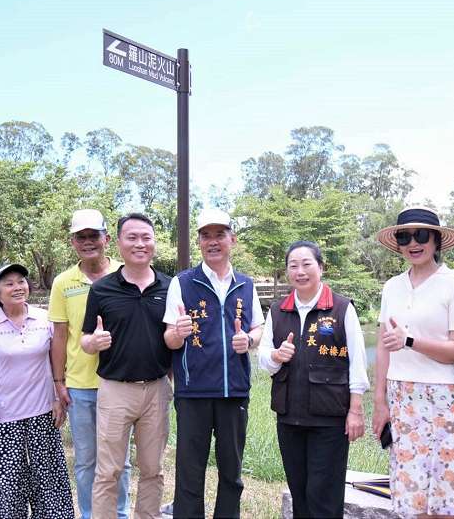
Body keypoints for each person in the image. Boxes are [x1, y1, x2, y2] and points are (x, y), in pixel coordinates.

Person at [372, 206, 454, 518]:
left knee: (447, 494)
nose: (413, 243)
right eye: (405, 237)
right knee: (410, 493)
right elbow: (382, 347)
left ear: (436, 240)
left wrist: (411, 341)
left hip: (444, 399)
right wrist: (380, 400)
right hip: (401, 396)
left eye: (421, 236)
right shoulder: (392, 286)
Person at [163, 208, 265, 519]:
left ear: (232, 239)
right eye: (206, 235)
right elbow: (169, 338)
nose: (213, 241)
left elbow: (258, 329)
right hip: (193, 393)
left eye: (219, 234)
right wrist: (178, 333)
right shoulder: (183, 283)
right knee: (190, 473)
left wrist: (247, 340)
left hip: (234, 392)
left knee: (232, 473)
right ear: (199, 242)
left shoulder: (246, 285)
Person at [259, 240, 369, 518]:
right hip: (289, 419)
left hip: (329, 420)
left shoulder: (342, 308)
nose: (300, 271)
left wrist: (355, 411)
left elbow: (357, 363)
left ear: (321, 268)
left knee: (325, 496)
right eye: (293, 266)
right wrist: (276, 355)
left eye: (307, 264)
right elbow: (263, 361)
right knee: (301, 494)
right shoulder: (278, 310)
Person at [79, 213, 173, 519]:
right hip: (115, 391)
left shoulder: (170, 287)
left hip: (157, 390)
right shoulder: (102, 289)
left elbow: (174, 338)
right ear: (118, 242)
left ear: (155, 243)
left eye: (146, 237)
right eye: (131, 237)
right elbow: (84, 340)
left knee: (153, 470)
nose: (140, 244)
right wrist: (94, 343)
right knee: (108, 471)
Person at [0, 263, 74, 519]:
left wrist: (57, 397)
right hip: (3, 419)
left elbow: (56, 361)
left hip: (43, 414)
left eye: (21, 281)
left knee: (49, 485)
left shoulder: (44, 318)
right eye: (9, 283)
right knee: (7, 488)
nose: (17, 287)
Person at [48, 208, 131, 519]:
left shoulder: (126, 273)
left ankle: (119, 514)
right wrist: (59, 382)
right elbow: (59, 336)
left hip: (121, 384)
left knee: (120, 460)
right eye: (81, 237)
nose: (88, 242)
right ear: (72, 242)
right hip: (81, 386)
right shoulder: (63, 282)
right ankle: (89, 514)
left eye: (93, 236)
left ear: (106, 238)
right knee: (85, 460)